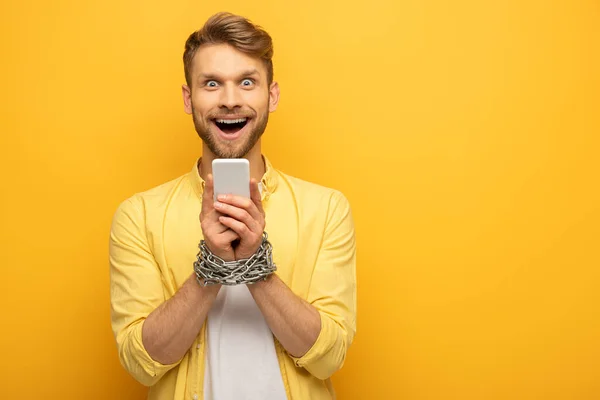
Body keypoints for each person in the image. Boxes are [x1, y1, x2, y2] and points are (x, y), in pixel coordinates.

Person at [109, 12, 356, 400]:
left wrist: (256, 264)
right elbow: (141, 363)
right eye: (211, 83)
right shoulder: (138, 216)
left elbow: (329, 357)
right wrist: (212, 264)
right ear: (189, 99)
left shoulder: (326, 209)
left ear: (270, 95)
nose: (229, 100)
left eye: (246, 82)